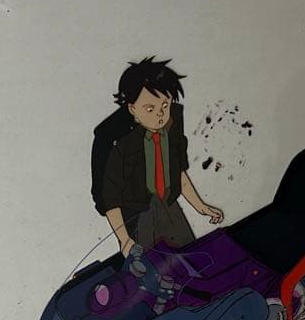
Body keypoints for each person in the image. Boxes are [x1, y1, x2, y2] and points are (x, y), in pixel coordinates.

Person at [91, 57, 223, 255]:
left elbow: (178, 170)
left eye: (165, 105)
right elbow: (108, 197)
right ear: (132, 108)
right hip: (135, 216)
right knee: (149, 267)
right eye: (150, 109)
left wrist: (201, 206)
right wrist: (124, 239)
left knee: (190, 257)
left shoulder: (172, 121)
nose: (160, 114)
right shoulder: (115, 141)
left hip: (168, 206)